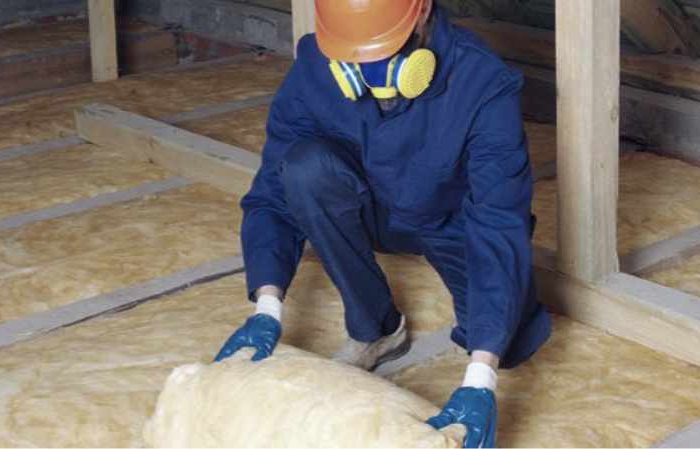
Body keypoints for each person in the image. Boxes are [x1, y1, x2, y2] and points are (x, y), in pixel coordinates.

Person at [215, 1, 552, 446]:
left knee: (509, 342)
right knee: (304, 170)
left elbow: (496, 220)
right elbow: (271, 192)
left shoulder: (482, 83)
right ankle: (376, 328)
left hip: (452, 223)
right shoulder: (318, 65)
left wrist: (479, 380)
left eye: (383, 50)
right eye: (352, 57)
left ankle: (490, 347)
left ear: (424, 14)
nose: (366, 70)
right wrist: (267, 305)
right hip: (372, 208)